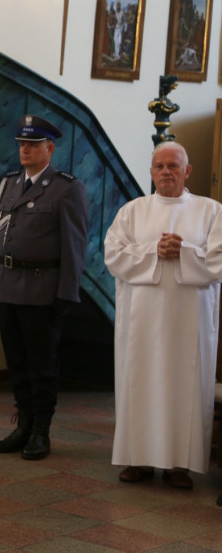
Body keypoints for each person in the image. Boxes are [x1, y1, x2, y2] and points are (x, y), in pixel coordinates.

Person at [105, 142, 222, 490]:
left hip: (190, 321)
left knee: (184, 386)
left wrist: (184, 251)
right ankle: (137, 460)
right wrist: (154, 250)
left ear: (187, 171)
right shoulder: (132, 211)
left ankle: (179, 465)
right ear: (152, 171)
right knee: (139, 380)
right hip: (140, 319)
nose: (165, 171)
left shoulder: (211, 211)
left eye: (173, 165)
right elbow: (113, 256)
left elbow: (218, 260)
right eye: (159, 166)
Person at [0, 115, 88, 461]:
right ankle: (23, 425)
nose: (24, 150)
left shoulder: (66, 187)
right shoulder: (9, 183)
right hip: (7, 286)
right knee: (16, 361)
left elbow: (75, 245)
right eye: (21, 144)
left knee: (41, 365)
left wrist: (66, 294)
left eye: (31, 145)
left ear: (49, 148)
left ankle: (41, 432)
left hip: (42, 290)